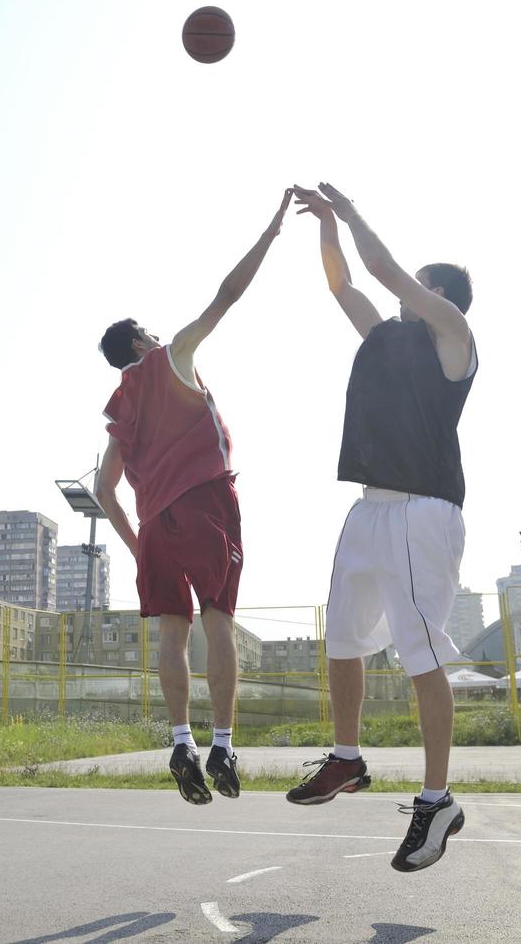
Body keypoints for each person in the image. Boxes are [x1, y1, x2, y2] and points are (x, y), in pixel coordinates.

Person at [285, 182, 476, 872]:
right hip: (368, 510)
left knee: (419, 656)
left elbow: (385, 274)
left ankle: (437, 800)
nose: (403, 296)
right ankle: (346, 759)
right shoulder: (390, 341)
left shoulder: (454, 338)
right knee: (341, 642)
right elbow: (345, 287)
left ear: (441, 296)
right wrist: (326, 230)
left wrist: (352, 212)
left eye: (418, 289)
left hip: (424, 512)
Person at [94, 189, 292, 805]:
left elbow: (104, 489)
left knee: (171, 639)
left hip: (155, 525)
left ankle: (180, 739)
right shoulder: (171, 357)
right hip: (205, 502)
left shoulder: (120, 406)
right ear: (141, 342)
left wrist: (136, 546)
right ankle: (224, 743)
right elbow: (226, 295)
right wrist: (271, 233)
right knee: (220, 623)